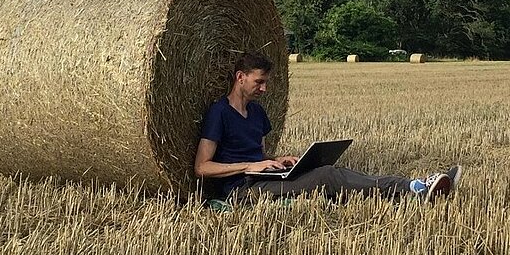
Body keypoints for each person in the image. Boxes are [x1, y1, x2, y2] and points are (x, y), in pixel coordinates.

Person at [194, 52, 462, 203]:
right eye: (259, 82)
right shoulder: (219, 112)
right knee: (328, 177)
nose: (265, 88)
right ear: (240, 78)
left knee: (327, 171)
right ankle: (413, 188)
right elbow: (202, 167)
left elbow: (258, 155)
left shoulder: (257, 112)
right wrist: (248, 167)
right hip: (242, 190)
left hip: (264, 178)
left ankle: (406, 190)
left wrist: (275, 161)